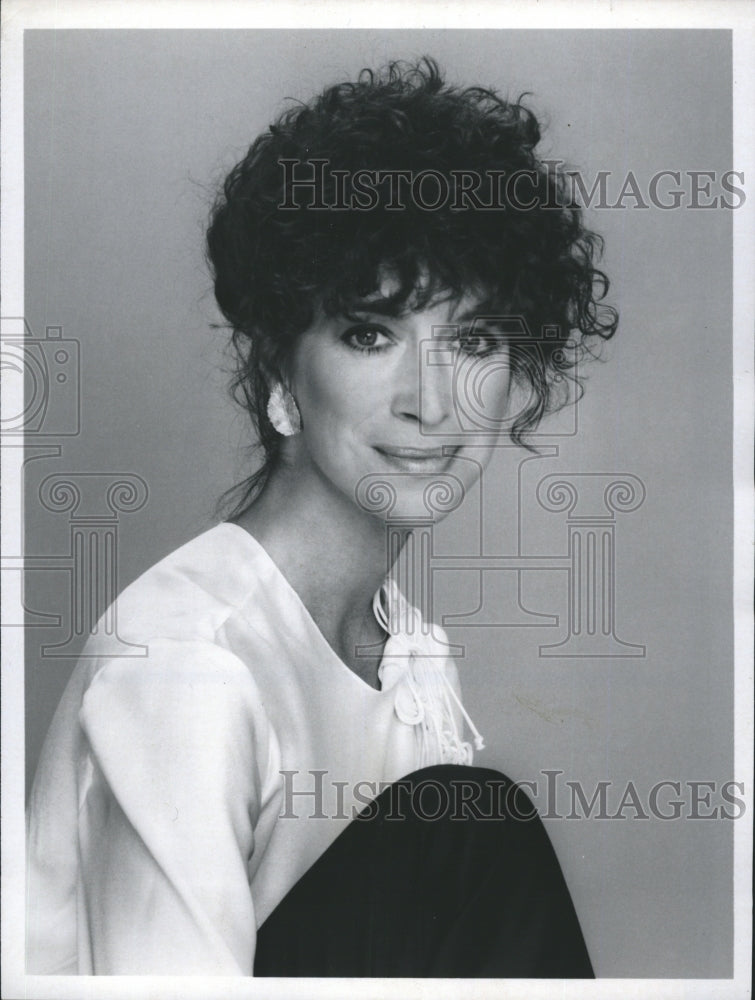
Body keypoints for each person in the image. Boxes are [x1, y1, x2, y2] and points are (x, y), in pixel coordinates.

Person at [26, 57, 616, 977]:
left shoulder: (406, 651)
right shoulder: (189, 661)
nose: (431, 401)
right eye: (370, 334)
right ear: (278, 376)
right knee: (467, 827)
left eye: (473, 340)